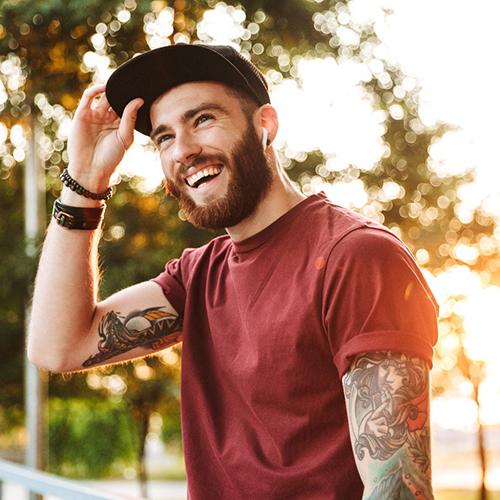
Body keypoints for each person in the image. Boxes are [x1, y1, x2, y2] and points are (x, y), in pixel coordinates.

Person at [28, 43, 439, 499]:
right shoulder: (198, 276)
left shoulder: (356, 256)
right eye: (164, 137)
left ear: (265, 126)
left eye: (202, 119)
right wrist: (85, 180)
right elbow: (57, 347)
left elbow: (398, 490)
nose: (182, 150)